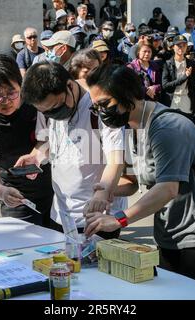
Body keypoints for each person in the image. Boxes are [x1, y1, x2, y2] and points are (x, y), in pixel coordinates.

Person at [84, 64, 195, 286]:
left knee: (188, 293)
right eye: (95, 107)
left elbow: (167, 188)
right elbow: (135, 182)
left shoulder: (167, 127)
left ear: (127, 96)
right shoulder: (131, 127)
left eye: (104, 104)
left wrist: (119, 219)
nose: (101, 112)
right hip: (171, 227)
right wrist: (104, 193)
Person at [18, 61, 127, 238]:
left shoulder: (99, 108)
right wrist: (36, 157)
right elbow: (50, 142)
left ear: (69, 86)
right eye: (45, 112)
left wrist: (102, 193)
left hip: (94, 219)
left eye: (55, 108)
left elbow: (116, 159)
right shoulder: (48, 110)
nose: (52, 115)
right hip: (60, 215)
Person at [0, 55, 54, 227]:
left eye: (11, 92)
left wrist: (38, 153)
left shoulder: (35, 101)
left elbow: (53, 135)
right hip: (18, 199)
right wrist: (2, 192)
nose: (6, 101)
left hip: (55, 190)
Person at [162, 35, 195, 114]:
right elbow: (165, 85)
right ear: (173, 47)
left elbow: (194, 86)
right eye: (178, 45)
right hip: (172, 99)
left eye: (184, 45)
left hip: (187, 99)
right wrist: (184, 77)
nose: (181, 48)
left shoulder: (190, 63)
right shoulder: (167, 64)